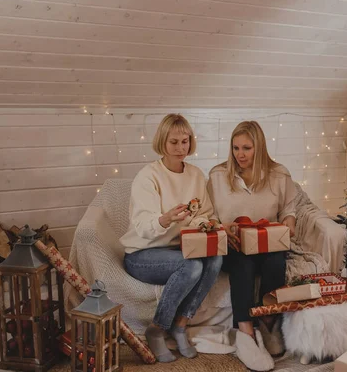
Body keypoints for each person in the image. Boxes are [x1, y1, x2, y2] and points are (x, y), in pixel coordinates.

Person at [120, 114, 222, 363]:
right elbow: (142, 226)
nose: (180, 148)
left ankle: (180, 325)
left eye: (185, 141)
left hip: (178, 250)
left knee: (216, 257)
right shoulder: (148, 177)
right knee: (192, 264)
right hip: (142, 254)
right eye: (173, 142)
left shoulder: (196, 175)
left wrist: (207, 224)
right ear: (162, 143)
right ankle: (157, 328)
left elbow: (204, 214)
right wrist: (165, 219)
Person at [207, 121, 296, 371]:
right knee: (242, 262)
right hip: (233, 245)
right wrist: (221, 227)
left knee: (276, 259)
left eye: (247, 148)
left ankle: (268, 322)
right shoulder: (217, 175)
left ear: (259, 148)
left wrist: (289, 222)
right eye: (235, 148)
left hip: (268, 241)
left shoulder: (279, 174)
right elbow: (209, 215)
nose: (240, 154)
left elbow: (289, 208)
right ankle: (245, 332)